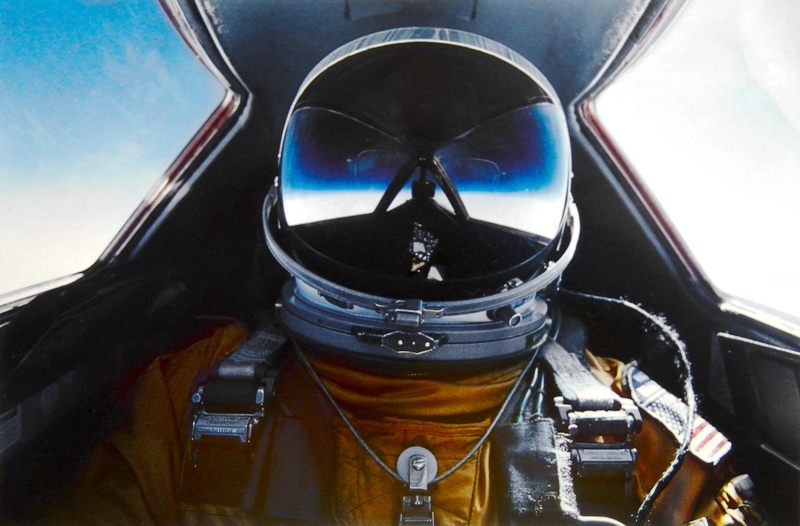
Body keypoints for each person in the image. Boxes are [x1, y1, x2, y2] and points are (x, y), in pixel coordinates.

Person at [45, 28, 765, 526]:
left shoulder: (633, 429)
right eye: (364, 172)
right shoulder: (191, 397)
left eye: (478, 177)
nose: (422, 211)